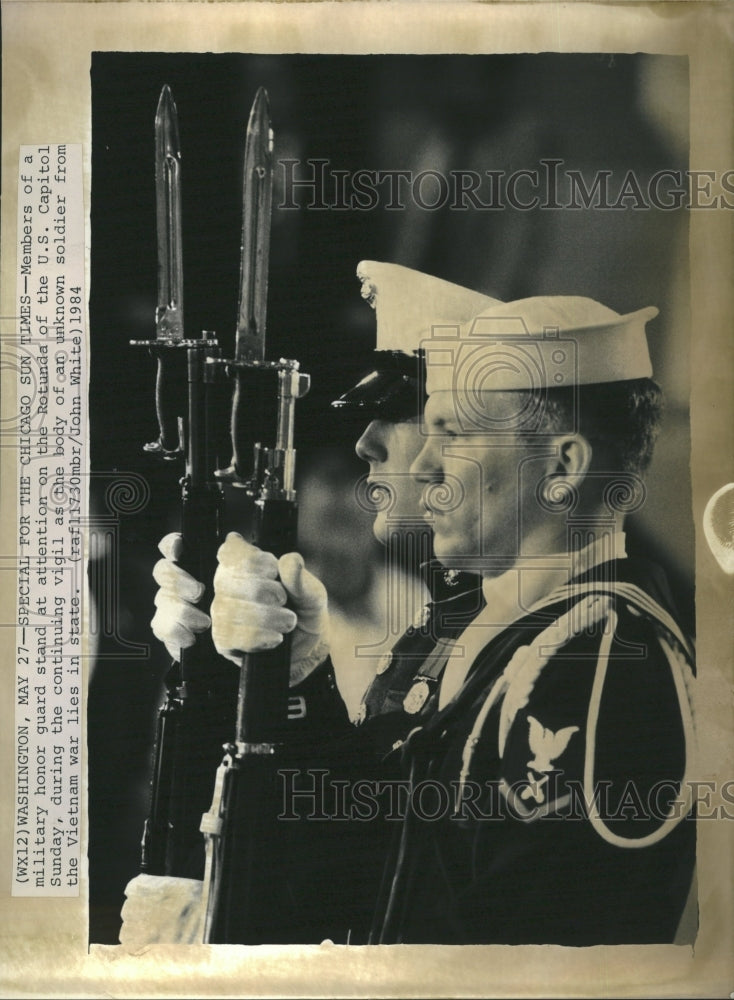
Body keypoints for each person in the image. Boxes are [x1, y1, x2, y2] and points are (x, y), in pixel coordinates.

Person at [124, 274, 696, 946]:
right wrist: (299, 675)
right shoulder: (526, 641)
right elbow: (377, 868)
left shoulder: (601, 659)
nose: (422, 465)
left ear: (563, 467)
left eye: (452, 433)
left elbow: (500, 968)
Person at [120, 261, 496, 946]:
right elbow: (364, 815)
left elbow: (393, 855)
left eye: (428, 422)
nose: (368, 463)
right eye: (331, 476)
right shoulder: (436, 612)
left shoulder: (464, 612)